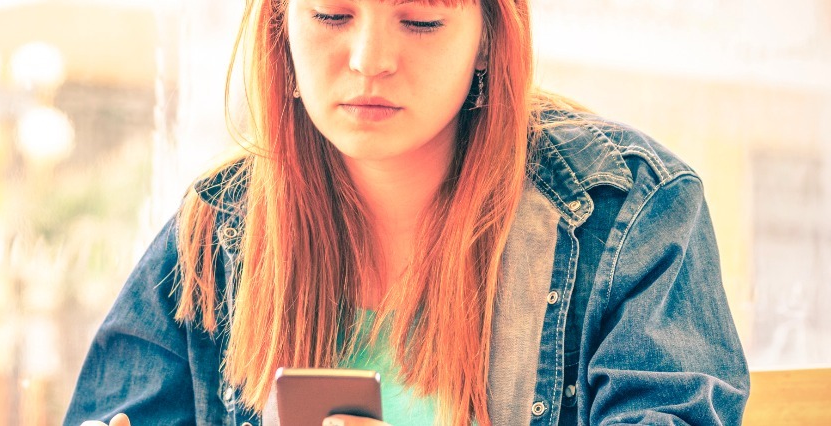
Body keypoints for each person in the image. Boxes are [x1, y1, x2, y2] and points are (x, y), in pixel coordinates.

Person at [65, 0, 750, 424]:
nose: (369, 60)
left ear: (488, 33)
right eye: (332, 15)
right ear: (280, 23)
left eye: (422, 19)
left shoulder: (624, 212)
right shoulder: (217, 231)